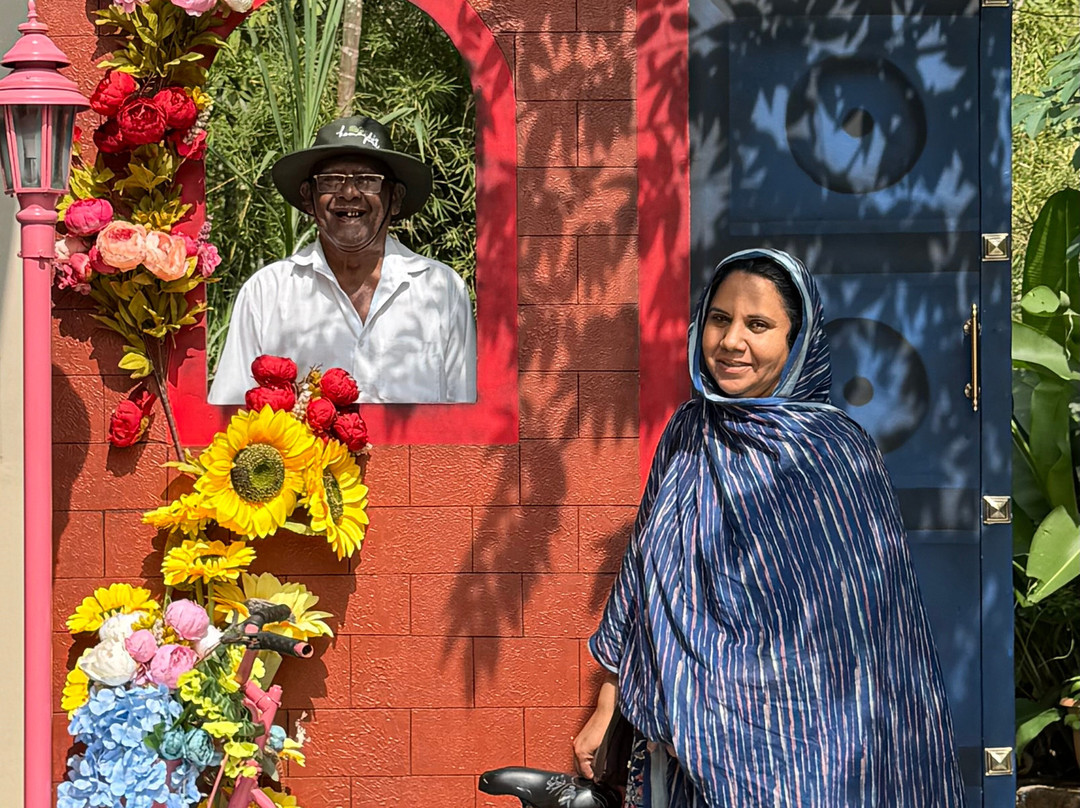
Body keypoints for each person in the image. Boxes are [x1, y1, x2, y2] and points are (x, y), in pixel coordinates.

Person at [573, 249, 964, 807]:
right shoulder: (688, 432)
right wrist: (608, 704)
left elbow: (863, 636)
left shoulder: (837, 455)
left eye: (759, 324)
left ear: (797, 339)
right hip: (687, 740)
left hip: (813, 750)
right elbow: (643, 569)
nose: (732, 342)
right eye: (719, 318)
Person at [208, 115, 477, 405]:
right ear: (308, 198)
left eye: (368, 181)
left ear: (395, 198)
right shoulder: (267, 293)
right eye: (331, 180)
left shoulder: (440, 290)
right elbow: (230, 412)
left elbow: (465, 416)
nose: (349, 192)